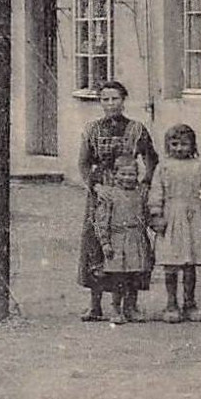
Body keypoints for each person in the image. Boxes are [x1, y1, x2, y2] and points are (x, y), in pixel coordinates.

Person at [77, 80, 158, 322]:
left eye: (115, 99)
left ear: (124, 100)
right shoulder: (92, 129)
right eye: (105, 99)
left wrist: (144, 184)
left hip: (130, 192)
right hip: (101, 192)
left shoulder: (137, 129)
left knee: (131, 246)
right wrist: (95, 185)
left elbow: (151, 159)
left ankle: (130, 305)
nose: (110, 104)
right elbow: (83, 164)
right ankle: (95, 305)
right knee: (96, 245)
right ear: (100, 102)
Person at [147, 124, 201, 323]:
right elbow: (156, 191)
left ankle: (190, 303)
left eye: (184, 144)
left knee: (189, 263)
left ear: (192, 145)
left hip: (193, 217)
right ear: (168, 145)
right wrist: (156, 214)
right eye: (174, 144)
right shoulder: (163, 167)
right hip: (171, 217)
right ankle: (171, 303)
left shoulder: (199, 166)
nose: (179, 148)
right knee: (171, 263)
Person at [93, 154, 154, 324]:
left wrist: (157, 226)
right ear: (115, 175)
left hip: (136, 239)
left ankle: (131, 307)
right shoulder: (109, 195)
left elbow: (147, 216)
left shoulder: (141, 194)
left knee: (134, 276)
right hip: (117, 239)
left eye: (132, 174)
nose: (128, 178)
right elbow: (101, 220)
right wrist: (105, 242)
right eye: (123, 174)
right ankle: (115, 308)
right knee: (118, 277)